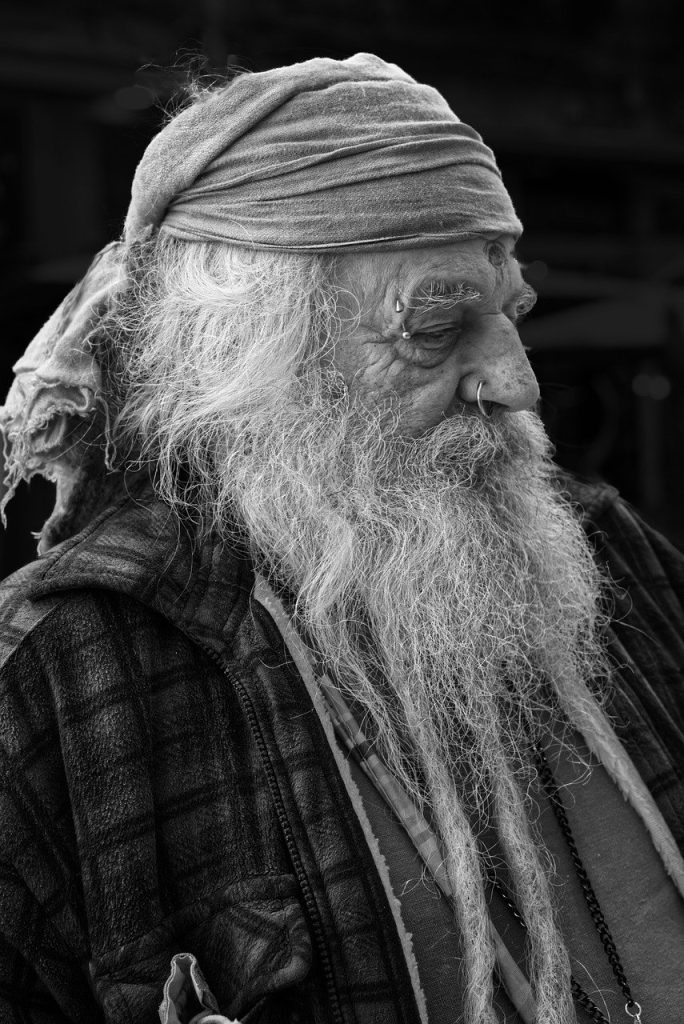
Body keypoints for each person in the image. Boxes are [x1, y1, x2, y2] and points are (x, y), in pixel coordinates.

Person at [0, 53, 683, 1024]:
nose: (519, 384)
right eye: (436, 328)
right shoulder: (61, 681)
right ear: (251, 361)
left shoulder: (611, 554)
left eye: (511, 315)